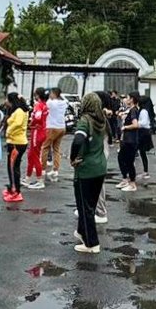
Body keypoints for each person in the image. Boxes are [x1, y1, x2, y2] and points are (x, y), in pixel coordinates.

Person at [69, 92, 108, 254]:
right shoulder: (102, 119)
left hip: (86, 170)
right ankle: (81, 231)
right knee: (89, 205)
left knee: (85, 207)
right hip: (100, 167)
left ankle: (92, 243)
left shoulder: (85, 121)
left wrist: (73, 158)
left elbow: (78, 139)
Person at [2, 92, 28, 203]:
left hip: (16, 143)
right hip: (15, 142)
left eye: (7, 99)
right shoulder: (18, 111)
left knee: (13, 168)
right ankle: (12, 188)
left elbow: (17, 124)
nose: (6, 102)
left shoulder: (19, 112)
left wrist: (8, 132)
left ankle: (16, 192)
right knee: (12, 167)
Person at [116, 93, 142, 191]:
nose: (126, 99)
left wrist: (125, 127)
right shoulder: (131, 110)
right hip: (127, 139)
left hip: (131, 140)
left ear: (132, 99)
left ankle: (132, 183)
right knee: (122, 158)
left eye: (127, 98)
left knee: (129, 161)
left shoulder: (133, 110)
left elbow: (136, 125)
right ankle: (125, 180)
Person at [25, 88, 49, 190]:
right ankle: (27, 178)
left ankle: (39, 180)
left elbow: (37, 117)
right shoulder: (45, 105)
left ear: (37, 95)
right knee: (31, 155)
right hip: (42, 131)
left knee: (34, 156)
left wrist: (31, 123)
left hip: (37, 132)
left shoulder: (38, 105)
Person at [44, 88, 69, 180]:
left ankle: (42, 168)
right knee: (56, 149)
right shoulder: (64, 103)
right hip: (62, 127)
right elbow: (64, 98)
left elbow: (45, 103)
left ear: (54, 94)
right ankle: (55, 170)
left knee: (45, 147)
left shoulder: (51, 103)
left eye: (51, 93)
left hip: (52, 127)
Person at [137, 93, 154, 179]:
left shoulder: (143, 111)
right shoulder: (145, 110)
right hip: (144, 132)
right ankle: (145, 171)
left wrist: (135, 123)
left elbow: (143, 123)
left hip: (143, 133)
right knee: (142, 153)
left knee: (142, 152)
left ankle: (145, 171)